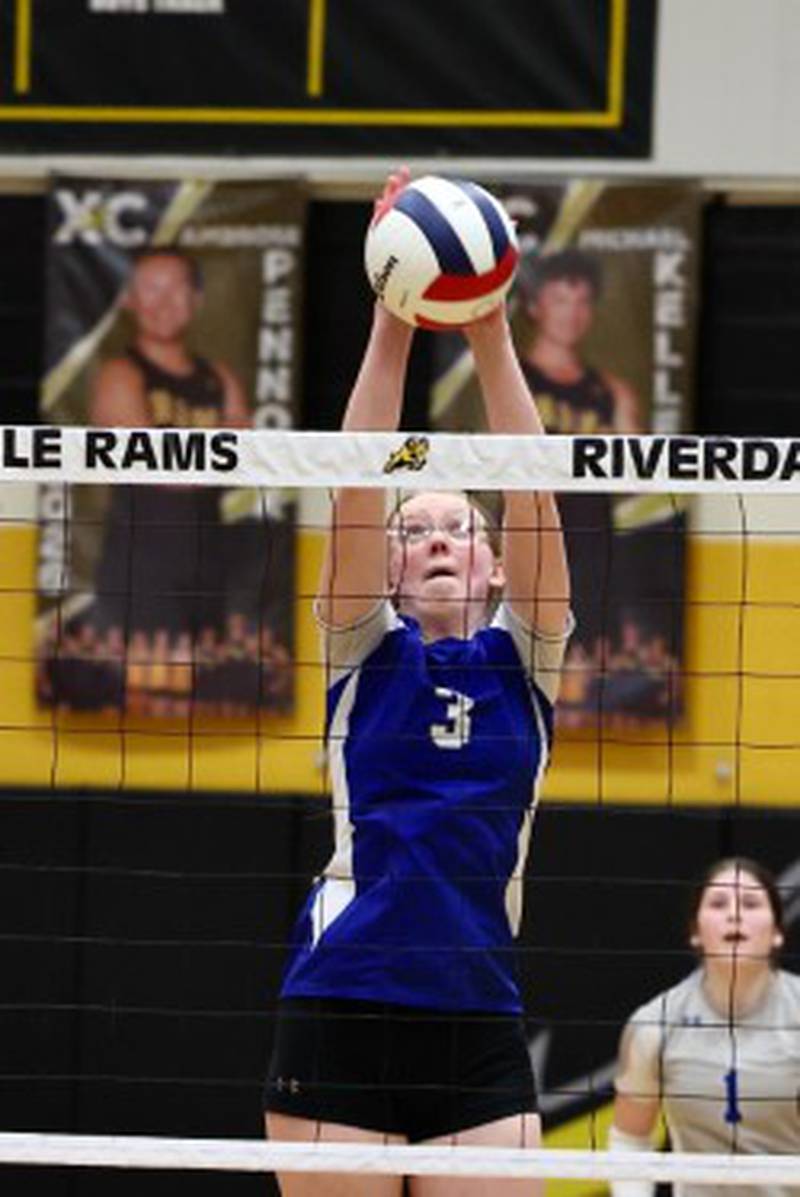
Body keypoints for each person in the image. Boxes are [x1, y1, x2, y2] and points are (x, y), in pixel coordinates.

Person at [264, 168, 572, 1197]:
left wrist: (485, 321)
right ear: (390, 570)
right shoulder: (362, 648)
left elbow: (532, 486)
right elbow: (360, 476)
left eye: (460, 527)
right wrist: (396, 311)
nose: (438, 537)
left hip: (475, 1012)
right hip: (341, 1002)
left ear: (491, 567)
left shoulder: (525, 662)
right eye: (417, 529)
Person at [609, 857, 800, 1197]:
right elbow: (629, 1139)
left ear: (777, 933)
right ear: (696, 932)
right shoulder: (656, 1022)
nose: (734, 914)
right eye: (718, 903)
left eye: (751, 903)